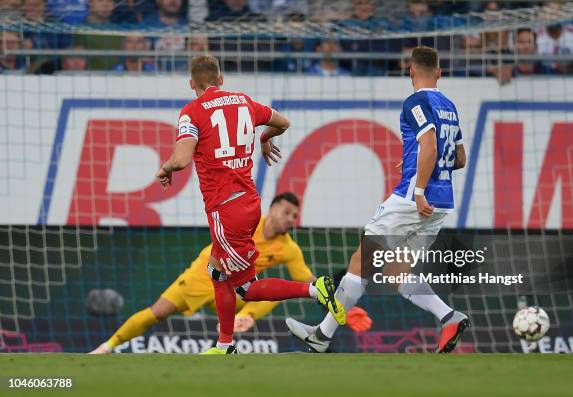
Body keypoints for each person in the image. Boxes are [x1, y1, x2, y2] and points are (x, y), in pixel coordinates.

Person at [155, 55, 345, 354]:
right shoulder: (244, 101)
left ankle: (315, 289)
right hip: (248, 203)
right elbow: (283, 122)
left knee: (245, 288)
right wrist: (264, 138)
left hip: (224, 209)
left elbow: (180, 160)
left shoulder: (191, 112)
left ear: (192, 83)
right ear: (221, 80)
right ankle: (225, 344)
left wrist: (165, 168)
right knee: (217, 273)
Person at [286, 46, 469, 354]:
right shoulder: (449, 106)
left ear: (411, 72)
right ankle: (449, 316)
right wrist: (416, 164)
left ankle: (322, 335)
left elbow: (430, 147)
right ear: (439, 72)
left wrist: (420, 186)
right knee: (396, 273)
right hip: (442, 203)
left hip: (414, 199)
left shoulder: (416, 101)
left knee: (361, 261)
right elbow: (459, 157)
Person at [90, 192, 369, 353]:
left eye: (294, 216)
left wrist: (339, 305)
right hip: (204, 276)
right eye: (286, 212)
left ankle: (239, 324)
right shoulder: (248, 223)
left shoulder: (289, 248)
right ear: (271, 209)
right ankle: (108, 345)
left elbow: (308, 282)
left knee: (268, 293)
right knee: (157, 312)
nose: (290, 219)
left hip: (238, 289)